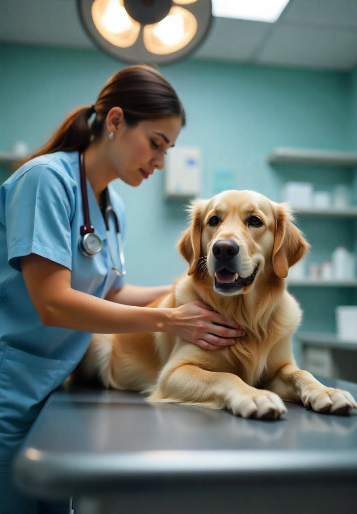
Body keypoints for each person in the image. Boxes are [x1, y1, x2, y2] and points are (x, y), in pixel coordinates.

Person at [0, 64, 245, 514]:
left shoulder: (113, 210)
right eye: (155, 144)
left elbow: (109, 293)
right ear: (115, 121)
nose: (158, 161)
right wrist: (170, 318)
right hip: (10, 384)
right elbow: (54, 303)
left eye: (167, 150)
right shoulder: (45, 181)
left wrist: (194, 292)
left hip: (59, 389)